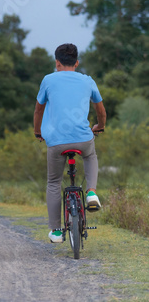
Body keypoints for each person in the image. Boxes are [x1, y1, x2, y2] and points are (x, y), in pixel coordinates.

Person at [33, 43, 106, 243]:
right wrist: (99, 125)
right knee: (90, 155)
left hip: (56, 142)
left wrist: (38, 132)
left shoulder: (48, 80)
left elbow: (39, 110)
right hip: (83, 138)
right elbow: (100, 109)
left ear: (57, 63)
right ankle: (91, 192)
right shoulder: (87, 80)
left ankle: (56, 230)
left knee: (54, 182)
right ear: (77, 62)